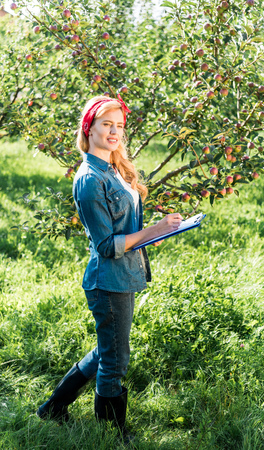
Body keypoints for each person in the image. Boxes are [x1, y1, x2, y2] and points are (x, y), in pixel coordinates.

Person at [36, 94, 183, 438]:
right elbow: (105, 245)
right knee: (115, 360)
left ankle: (53, 408)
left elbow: (125, 231)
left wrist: (151, 235)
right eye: (107, 124)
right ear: (89, 129)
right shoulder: (89, 180)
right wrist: (151, 231)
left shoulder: (115, 168)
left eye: (119, 126)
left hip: (124, 274)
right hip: (108, 280)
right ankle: (112, 433)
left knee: (108, 348)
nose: (115, 132)